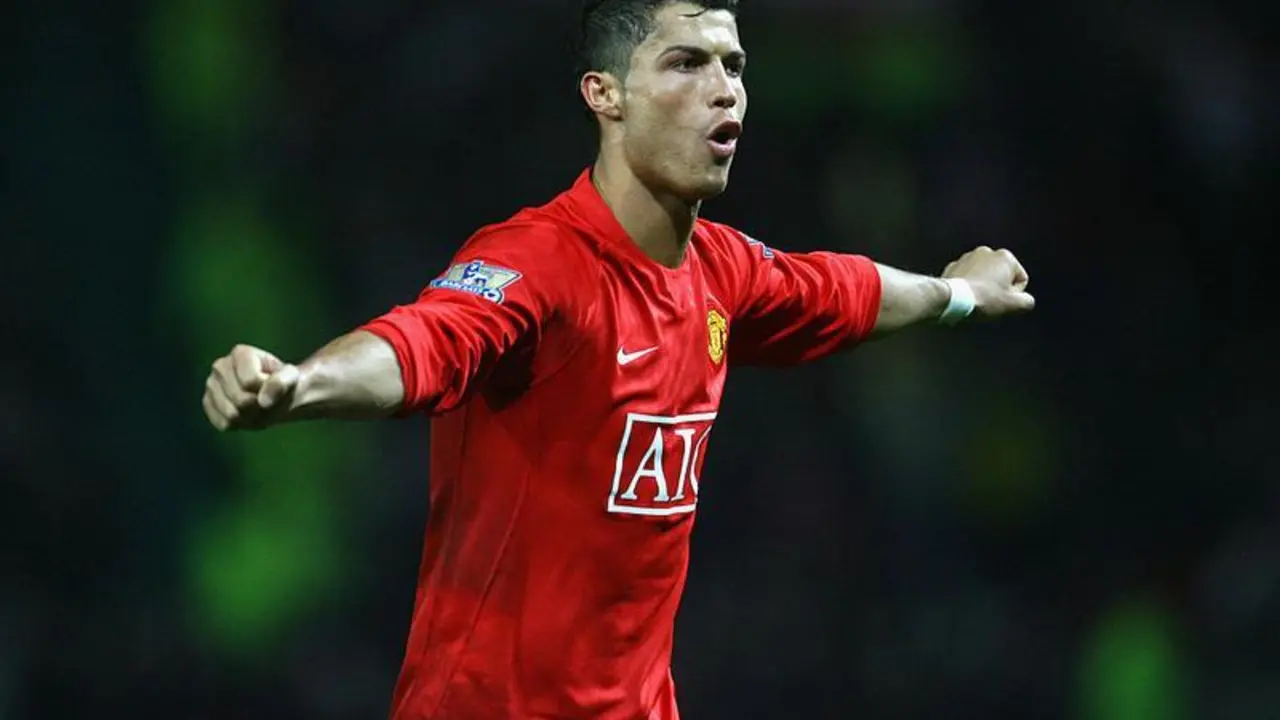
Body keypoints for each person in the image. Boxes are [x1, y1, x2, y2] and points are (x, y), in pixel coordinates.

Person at [200, 1, 1035, 717]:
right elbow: (424, 341)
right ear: (605, 96)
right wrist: (301, 387)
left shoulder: (723, 270)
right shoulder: (539, 261)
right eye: (685, 63)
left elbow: (839, 290)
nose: (724, 88)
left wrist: (955, 293)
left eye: (734, 66)